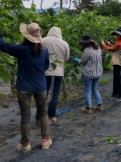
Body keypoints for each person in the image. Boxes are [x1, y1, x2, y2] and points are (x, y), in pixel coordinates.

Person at [0, 23, 52, 152]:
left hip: (24, 87)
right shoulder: (44, 50)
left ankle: (25, 144)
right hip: (40, 86)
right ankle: (46, 140)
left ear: (26, 36)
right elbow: (46, 66)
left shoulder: (21, 50)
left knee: (25, 116)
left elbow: (4, 46)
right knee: (43, 113)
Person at [41, 27, 70, 124]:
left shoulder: (43, 40)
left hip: (44, 72)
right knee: (54, 95)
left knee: (42, 95)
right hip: (57, 73)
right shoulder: (64, 43)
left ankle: (39, 116)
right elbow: (66, 58)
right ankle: (50, 116)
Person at [74, 35, 104, 113]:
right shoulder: (98, 48)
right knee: (95, 88)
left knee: (87, 90)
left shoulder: (87, 50)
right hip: (98, 72)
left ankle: (88, 108)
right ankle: (100, 106)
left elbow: (83, 61)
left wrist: (77, 60)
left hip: (89, 73)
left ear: (85, 43)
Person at [102, 30, 121, 102]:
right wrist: (109, 44)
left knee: (118, 80)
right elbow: (114, 48)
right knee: (116, 79)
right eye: (116, 35)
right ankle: (115, 94)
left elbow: (111, 49)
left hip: (117, 63)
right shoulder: (119, 42)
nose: (116, 36)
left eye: (117, 35)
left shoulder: (120, 43)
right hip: (117, 62)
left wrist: (103, 44)